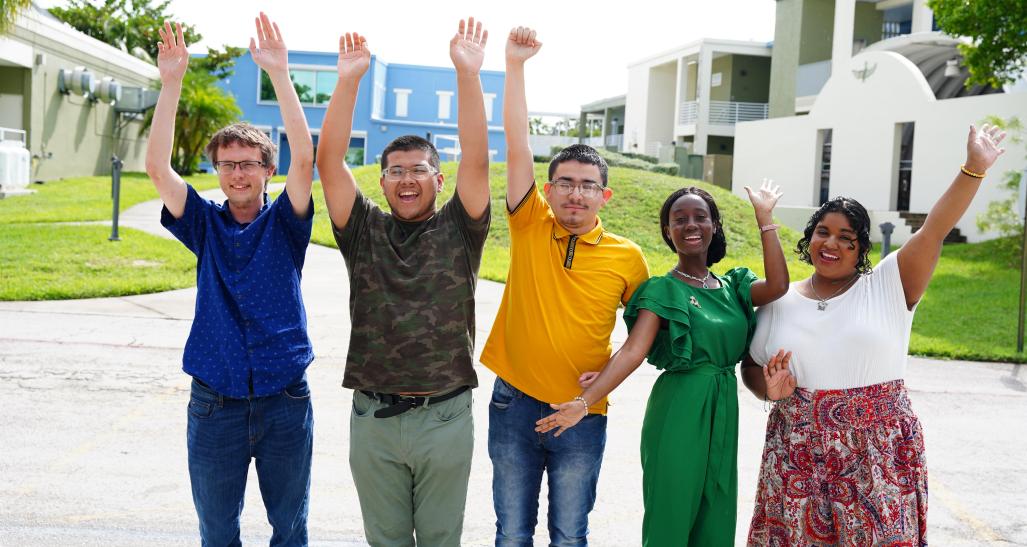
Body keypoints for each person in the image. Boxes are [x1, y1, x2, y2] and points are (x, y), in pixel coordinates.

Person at [742, 124, 1007, 546]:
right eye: (823, 232)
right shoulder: (779, 300)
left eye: (846, 239)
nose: (831, 244)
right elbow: (753, 367)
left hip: (878, 453)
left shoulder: (888, 285)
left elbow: (934, 229)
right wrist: (768, 389)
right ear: (809, 237)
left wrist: (973, 169)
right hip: (795, 452)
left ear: (861, 249)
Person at [314, 19, 491, 547]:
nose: (406, 179)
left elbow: (478, 157)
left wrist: (467, 74)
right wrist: (349, 80)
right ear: (382, 180)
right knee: (385, 541)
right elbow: (327, 161)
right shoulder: (363, 228)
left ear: (439, 179)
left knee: (441, 541)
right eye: (395, 170)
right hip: (373, 416)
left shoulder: (461, 227)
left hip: (445, 414)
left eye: (419, 170)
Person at [537, 180, 789, 546]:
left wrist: (764, 217)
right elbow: (632, 351)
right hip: (679, 409)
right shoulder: (664, 289)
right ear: (667, 231)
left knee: (717, 509)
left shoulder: (733, 286)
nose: (690, 225)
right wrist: (584, 401)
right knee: (672, 511)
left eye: (700, 217)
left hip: (723, 404)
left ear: (714, 225)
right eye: (679, 218)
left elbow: (779, 285)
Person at [145, 14, 316, 546]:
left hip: (283, 398)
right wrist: (170, 83)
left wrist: (280, 75)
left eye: (247, 164)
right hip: (214, 400)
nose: (237, 174)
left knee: (289, 529)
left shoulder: (286, 223)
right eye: (226, 165)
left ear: (268, 169)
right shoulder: (204, 223)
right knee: (217, 532)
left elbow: (306, 157)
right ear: (217, 171)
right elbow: (156, 169)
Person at [479, 26, 652, 546]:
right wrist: (515, 66)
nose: (575, 193)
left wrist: (595, 392)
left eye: (588, 185)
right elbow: (516, 143)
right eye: (565, 183)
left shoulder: (628, 256)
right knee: (511, 534)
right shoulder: (530, 221)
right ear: (549, 189)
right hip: (514, 401)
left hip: (583, 410)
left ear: (606, 195)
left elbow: (641, 339)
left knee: (570, 535)